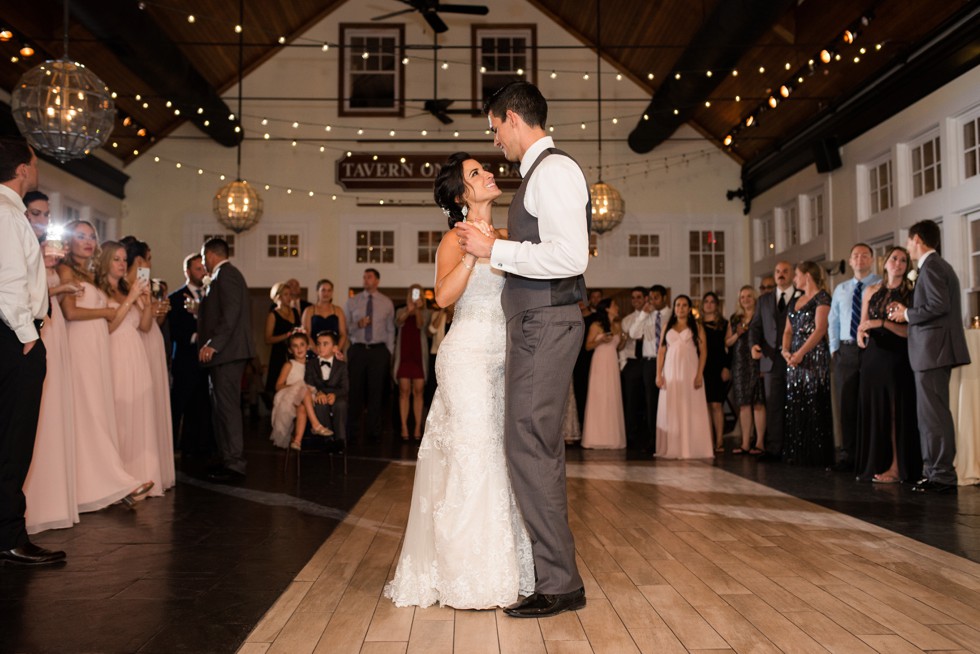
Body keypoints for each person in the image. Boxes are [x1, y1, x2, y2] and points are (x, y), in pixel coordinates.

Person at [457, 81, 590, 618]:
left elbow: (571, 256)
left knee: (528, 447)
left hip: (546, 320)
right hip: (540, 322)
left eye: (494, 128)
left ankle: (559, 583)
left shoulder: (554, 171)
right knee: (535, 446)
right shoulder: (540, 174)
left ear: (513, 118)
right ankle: (555, 575)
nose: (496, 142)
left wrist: (496, 249)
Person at [385, 152, 533, 610]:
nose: (488, 174)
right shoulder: (453, 239)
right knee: (475, 454)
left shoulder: (509, 237)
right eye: (476, 174)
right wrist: (471, 254)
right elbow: (443, 297)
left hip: (505, 356)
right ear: (460, 195)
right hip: (466, 354)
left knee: (502, 454)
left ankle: (505, 567)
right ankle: (466, 573)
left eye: (484, 169)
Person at [58, 221, 154, 512]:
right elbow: (71, 312)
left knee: (96, 416)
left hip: (96, 348)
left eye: (91, 236)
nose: (87, 241)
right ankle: (114, 482)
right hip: (80, 347)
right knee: (90, 415)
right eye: (80, 236)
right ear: (69, 241)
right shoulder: (66, 270)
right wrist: (108, 310)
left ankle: (107, 483)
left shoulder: (89, 275)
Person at [0, 137, 66, 566]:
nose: (37, 170)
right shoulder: (6, 215)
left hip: (13, 336)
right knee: (13, 440)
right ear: (22, 169)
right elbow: (7, 284)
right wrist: (28, 334)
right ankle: (9, 536)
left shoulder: (12, 214)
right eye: (35, 163)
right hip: (14, 339)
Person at [887, 220, 971, 494]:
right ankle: (934, 471)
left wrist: (907, 314)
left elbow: (938, 305)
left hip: (932, 351)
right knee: (930, 415)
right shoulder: (935, 266)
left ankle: (942, 475)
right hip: (931, 351)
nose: (908, 246)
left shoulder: (933, 266)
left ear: (918, 239)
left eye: (909, 241)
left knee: (933, 415)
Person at [24, 222, 79, 535]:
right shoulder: (29, 262)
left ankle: (56, 498)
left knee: (53, 410)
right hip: (37, 331)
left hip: (54, 335)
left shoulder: (61, 269)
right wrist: (60, 289)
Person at [99, 241, 166, 497]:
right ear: (105, 261)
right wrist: (130, 299)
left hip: (136, 355)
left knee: (139, 415)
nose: (122, 264)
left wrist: (147, 302)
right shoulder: (102, 291)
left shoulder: (128, 289)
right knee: (119, 417)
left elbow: (146, 326)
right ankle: (118, 479)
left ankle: (139, 478)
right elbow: (109, 327)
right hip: (115, 355)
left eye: (124, 259)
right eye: (116, 259)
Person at [855, 246, 920, 484]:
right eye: (894, 259)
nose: (898, 263)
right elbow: (863, 325)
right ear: (885, 263)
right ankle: (874, 464)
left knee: (894, 413)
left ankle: (895, 467)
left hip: (897, 358)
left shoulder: (910, 293)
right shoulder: (871, 291)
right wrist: (861, 335)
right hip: (872, 358)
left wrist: (881, 323)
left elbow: (910, 331)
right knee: (874, 410)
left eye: (903, 260)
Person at [198, 237, 255, 483]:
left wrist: (214, 344)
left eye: (202, 258)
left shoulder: (227, 275)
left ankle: (235, 464)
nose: (202, 263)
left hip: (228, 353)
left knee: (228, 408)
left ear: (210, 255)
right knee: (221, 408)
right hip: (225, 354)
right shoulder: (222, 277)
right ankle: (226, 458)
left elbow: (231, 315)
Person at [122, 236, 176, 492]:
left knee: (155, 402)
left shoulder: (143, 283)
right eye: (149, 258)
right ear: (140, 259)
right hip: (138, 344)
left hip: (152, 337)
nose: (150, 264)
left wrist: (157, 311)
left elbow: (148, 319)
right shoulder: (127, 284)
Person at [828, 243, 880, 471]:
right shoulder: (840, 289)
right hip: (846, 350)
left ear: (872, 259)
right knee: (846, 405)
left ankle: (872, 455)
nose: (860, 259)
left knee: (870, 402)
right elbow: (833, 320)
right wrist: (834, 349)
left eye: (864, 255)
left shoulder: (880, 284)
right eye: (855, 256)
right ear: (850, 261)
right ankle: (849, 455)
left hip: (872, 349)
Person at [782, 261, 834, 467]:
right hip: (794, 358)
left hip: (813, 356)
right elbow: (787, 330)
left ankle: (816, 455)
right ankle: (798, 452)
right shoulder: (795, 300)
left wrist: (801, 353)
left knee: (814, 401)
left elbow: (820, 329)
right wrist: (786, 352)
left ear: (807, 276)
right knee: (796, 401)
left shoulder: (822, 298)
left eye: (796, 275)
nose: (794, 279)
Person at [655, 295, 713, 459]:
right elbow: (661, 352)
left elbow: (704, 352)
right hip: (671, 372)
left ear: (689, 309)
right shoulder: (667, 325)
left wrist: (699, 374)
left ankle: (691, 447)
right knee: (672, 407)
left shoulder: (697, 326)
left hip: (690, 371)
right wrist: (658, 374)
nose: (680, 308)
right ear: (674, 308)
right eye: (678, 305)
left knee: (690, 408)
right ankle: (673, 447)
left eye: (684, 305)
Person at [167, 253, 213, 458]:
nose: (202, 272)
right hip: (185, 359)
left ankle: (195, 448)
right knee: (179, 406)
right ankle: (169, 449)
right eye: (197, 269)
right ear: (187, 271)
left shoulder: (210, 296)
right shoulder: (175, 298)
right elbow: (175, 331)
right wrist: (197, 336)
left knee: (202, 406)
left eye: (203, 268)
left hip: (206, 362)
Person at [750, 262, 796, 461]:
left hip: (796, 357)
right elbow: (755, 327)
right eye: (778, 271)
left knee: (796, 402)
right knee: (773, 404)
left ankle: (795, 448)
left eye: (785, 271)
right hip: (770, 359)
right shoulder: (764, 300)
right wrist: (753, 345)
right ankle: (774, 449)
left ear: (793, 275)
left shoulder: (802, 296)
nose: (781, 275)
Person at [345, 268, 395, 441]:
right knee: (355, 391)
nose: (366, 280)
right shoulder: (352, 302)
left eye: (369, 277)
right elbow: (345, 328)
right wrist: (357, 324)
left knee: (376, 392)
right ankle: (352, 431)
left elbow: (390, 330)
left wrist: (389, 352)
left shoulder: (386, 302)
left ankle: (374, 431)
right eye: (364, 277)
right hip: (358, 349)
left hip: (378, 351)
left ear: (377, 281)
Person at [270, 332, 333, 450]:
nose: (299, 349)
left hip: (305, 400)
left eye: (302, 345)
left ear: (308, 346)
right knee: (302, 387)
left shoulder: (312, 365)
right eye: (295, 346)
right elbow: (278, 386)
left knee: (302, 407)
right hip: (289, 398)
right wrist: (295, 386)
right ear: (290, 350)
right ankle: (316, 425)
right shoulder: (289, 365)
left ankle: (297, 441)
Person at [629, 285, 671, 452]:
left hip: (668, 362)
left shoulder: (672, 314)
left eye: (656, 298)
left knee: (668, 401)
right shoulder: (646, 315)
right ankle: (654, 441)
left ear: (664, 298)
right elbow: (633, 333)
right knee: (651, 403)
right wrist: (644, 314)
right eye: (651, 298)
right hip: (649, 363)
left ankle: (669, 439)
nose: (652, 301)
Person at [581, 298, 626, 449]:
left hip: (613, 362)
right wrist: (600, 340)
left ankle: (613, 438)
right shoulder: (596, 325)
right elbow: (587, 346)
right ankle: (596, 437)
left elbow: (619, 347)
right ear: (607, 308)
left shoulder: (617, 325)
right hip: (599, 363)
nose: (617, 307)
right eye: (614, 305)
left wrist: (624, 338)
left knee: (612, 396)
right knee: (600, 397)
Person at [726, 285, 766, 455]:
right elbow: (727, 343)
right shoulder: (735, 318)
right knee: (743, 404)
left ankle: (760, 443)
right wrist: (737, 334)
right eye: (743, 297)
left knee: (758, 403)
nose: (746, 299)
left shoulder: (761, 317)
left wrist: (764, 364)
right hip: (740, 364)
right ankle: (745, 443)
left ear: (755, 298)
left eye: (749, 296)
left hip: (756, 363)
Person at [393, 284, 430, 440]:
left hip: (418, 357)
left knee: (418, 392)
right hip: (404, 356)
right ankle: (403, 428)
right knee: (404, 392)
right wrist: (409, 310)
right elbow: (398, 323)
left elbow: (421, 325)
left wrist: (418, 310)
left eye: (418, 294)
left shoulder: (427, 312)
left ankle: (416, 428)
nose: (415, 296)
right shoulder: (401, 310)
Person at [304, 330, 348, 448]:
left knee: (341, 404)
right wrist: (318, 393)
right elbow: (308, 383)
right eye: (318, 344)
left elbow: (345, 388)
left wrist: (334, 395)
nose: (320, 347)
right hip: (318, 395)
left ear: (334, 348)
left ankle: (340, 440)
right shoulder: (311, 364)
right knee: (320, 404)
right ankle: (327, 440)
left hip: (336, 396)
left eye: (325, 344)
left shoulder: (342, 366)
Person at [700, 292, 730, 452]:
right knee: (704, 405)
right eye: (706, 301)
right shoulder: (697, 324)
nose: (709, 304)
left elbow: (729, 348)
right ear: (702, 305)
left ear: (717, 305)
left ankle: (719, 441)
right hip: (702, 367)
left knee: (717, 405)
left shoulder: (724, 324)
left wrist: (727, 367)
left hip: (718, 367)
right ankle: (708, 441)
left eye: (712, 302)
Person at [619, 286, 648, 449]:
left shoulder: (652, 317)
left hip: (647, 361)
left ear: (645, 299)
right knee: (631, 402)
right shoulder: (627, 320)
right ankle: (631, 437)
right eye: (633, 298)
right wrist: (623, 365)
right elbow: (622, 345)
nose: (635, 300)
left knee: (648, 401)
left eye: (638, 297)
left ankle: (648, 436)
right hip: (632, 362)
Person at [264, 282, 301, 403]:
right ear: (278, 296)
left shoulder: (295, 312)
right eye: (286, 294)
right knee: (279, 388)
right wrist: (286, 335)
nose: (289, 297)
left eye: (290, 294)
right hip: (279, 354)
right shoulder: (273, 315)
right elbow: (268, 339)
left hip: (295, 353)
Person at [572, 288, 603, 425]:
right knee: (579, 392)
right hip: (577, 359)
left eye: (583, 300)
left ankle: (592, 426)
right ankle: (580, 426)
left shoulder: (596, 319)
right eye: (578, 300)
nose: (581, 303)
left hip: (593, 358)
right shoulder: (573, 318)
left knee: (595, 392)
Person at [301, 279, 347, 356]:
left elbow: (343, 334)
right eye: (323, 290)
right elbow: (306, 334)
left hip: (334, 353)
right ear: (317, 292)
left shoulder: (338, 310)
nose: (326, 293)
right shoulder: (309, 310)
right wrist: (317, 351)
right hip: (314, 353)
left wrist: (336, 350)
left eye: (329, 290)